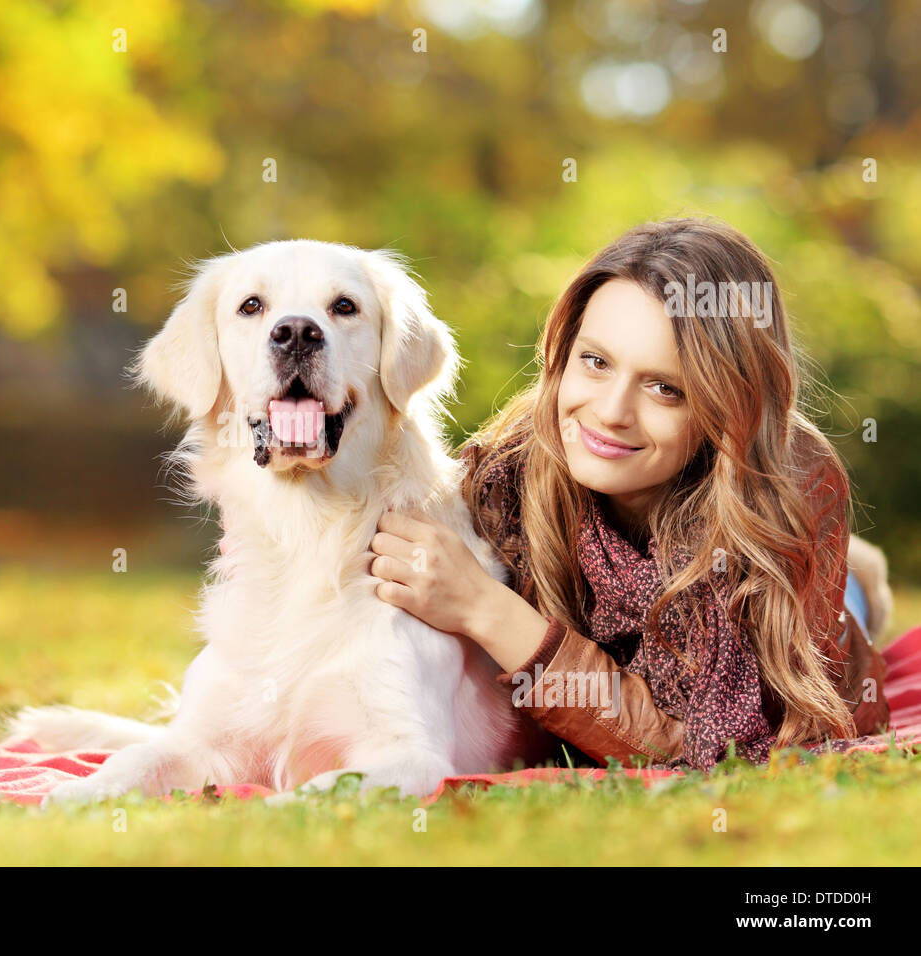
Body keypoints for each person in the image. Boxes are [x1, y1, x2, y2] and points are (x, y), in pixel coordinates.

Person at [365, 217, 892, 771]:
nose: (610, 414)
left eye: (665, 389)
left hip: (811, 628)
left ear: (725, 407)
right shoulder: (507, 473)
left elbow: (719, 752)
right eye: (595, 362)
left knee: (843, 602)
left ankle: (855, 579)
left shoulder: (791, 487)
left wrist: (488, 610)